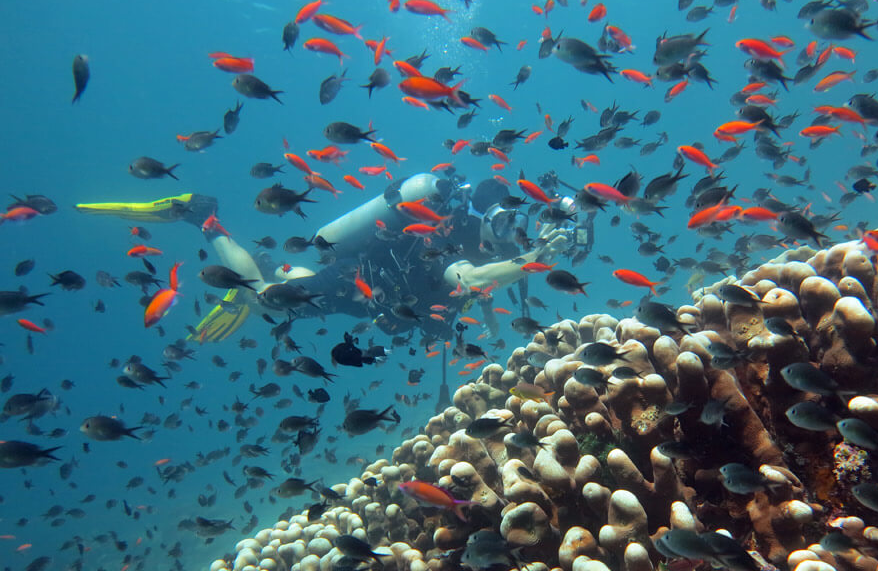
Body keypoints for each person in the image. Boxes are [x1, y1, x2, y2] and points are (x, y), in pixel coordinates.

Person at [76, 172, 593, 341]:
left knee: (300, 281)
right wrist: (535, 258)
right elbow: (473, 278)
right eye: (508, 226)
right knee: (269, 304)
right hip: (358, 283)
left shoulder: (457, 230)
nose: (511, 235)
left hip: (363, 290)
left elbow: (473, 289)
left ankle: (275, 269)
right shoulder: (457, 244)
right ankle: (205, 219)